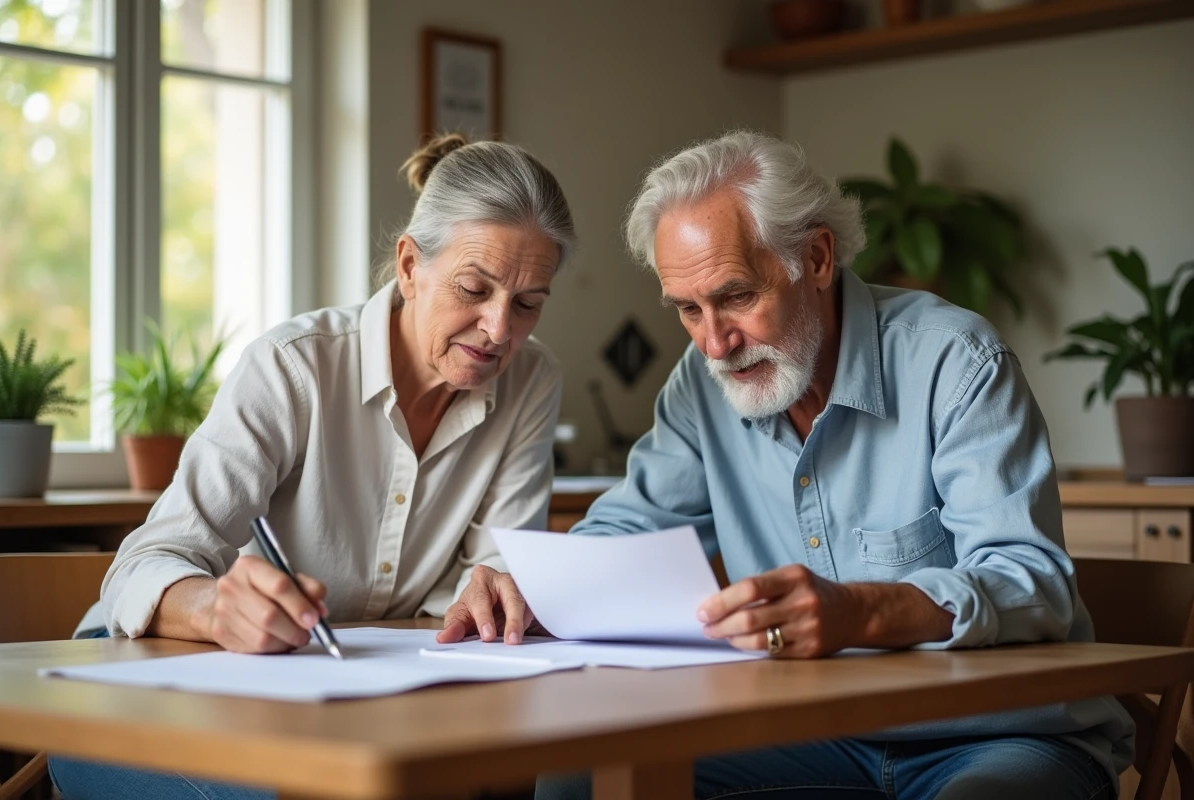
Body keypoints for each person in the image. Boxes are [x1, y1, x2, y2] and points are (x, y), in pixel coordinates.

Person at [445, 131, 1133, 800]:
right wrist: (534, 586)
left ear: (819, 258)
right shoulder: (701, 383)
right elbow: (631, 527)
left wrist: (859, 612)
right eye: (688, 309)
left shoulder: (956, 363)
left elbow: (1031, 583)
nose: (715, 343)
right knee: (584, 777)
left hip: (1003, 736)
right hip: (818, 734)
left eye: (737, 296)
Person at [50, 133, 576, 800]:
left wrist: (497, 590)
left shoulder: (530, 381)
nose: (500, 329)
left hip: (351, 703)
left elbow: (490, 576)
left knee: (501, 776)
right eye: (475, 289)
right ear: (410, 266)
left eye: (529, 303)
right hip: (146, 691)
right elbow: (142, 563)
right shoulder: (292, 367)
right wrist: (216, 609)